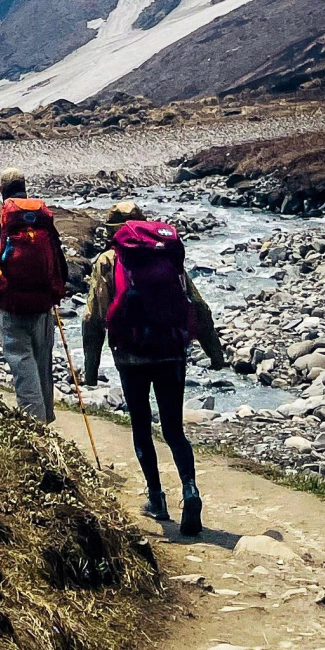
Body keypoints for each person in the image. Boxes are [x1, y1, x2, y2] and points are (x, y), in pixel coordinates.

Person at [91, 197, 223, 537]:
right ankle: (190, 490)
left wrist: (90, 369)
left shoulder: (108, 260)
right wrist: (215, 353)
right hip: (171, 351)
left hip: (131, 355)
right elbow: (197, 305)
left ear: (112, 231)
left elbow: (94, 316)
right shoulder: (165, 255)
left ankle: (156, 499)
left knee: (141, 426)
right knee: (174, 429)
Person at [0, 168, 69, 424]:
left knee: (22, 363)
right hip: (43, 307)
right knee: (42, 362)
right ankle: (46, 418)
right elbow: (62, 268)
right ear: (24, 187)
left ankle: (35, 425)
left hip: (12, 307)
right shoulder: (44, 222)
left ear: (1, 190)